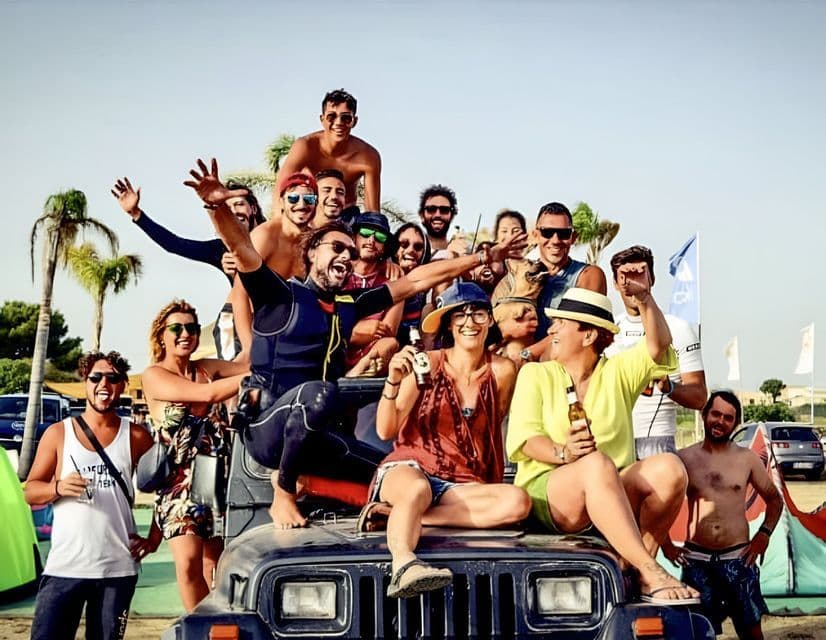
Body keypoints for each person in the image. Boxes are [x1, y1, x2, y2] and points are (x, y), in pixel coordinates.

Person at [183, 157, 527, 529]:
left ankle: (389, 510)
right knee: (319, 395)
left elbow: (416, 282)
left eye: (351, 252)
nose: (346, 256)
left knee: (387, 475)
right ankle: (283, 493)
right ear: (312, 252)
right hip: (269, 429)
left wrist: (481, 257)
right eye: (336, 248)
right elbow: (242, 247)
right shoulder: (279, 297)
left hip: (316, 434)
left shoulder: (348, 306)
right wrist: (217, 206)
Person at [506, 279, 700, 605]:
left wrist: (645, 297)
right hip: (551, 492)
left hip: (611, 490)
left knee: (670, 467)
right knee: (594, 464)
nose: (550, 329)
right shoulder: (535, 374)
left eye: (560, 323)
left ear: (589, 334)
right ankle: (650, 569)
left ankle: (639, 568)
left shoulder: (618, 371)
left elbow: (658, 344)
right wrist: (563, 452)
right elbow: (526, 440)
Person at [367, 282, 531, 598]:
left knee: (518, 502)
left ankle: (397, 516)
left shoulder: (504, 370)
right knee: (417, 489)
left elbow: (492, 425)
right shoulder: (426, 362)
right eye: (460, 315)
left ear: (490, 320)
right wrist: (392, 380)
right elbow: (386, 431)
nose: (470, 322)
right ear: (449, 323)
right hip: (411, 467)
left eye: (478, 314)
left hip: (460, 482)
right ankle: (404, 563)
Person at [25, 351, 160, 640]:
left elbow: (167, 491)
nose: (104, 384)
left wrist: (153, 539)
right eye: (95, 377)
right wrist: (58, 487)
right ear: (85, 382)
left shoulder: (136, 436)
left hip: (116, 570)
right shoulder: (58, 434)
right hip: (65, 567)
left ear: (122, 385)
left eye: (112, 378)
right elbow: (32, 492)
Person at [140, 300, 248, 611]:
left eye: (190, 327)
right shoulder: (153, 375)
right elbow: (208, 395)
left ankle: (218, 622)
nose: (184, 333)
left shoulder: (207, 368)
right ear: (162, 335)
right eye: (176, 328)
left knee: (215, 565)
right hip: (178, 487)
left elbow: (250, 362)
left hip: (214, 480)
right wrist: (247, 380)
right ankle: (199, 625)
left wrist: (240, 285)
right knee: (188, 565)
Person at [663, 391, 783, 639]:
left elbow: (774, 499)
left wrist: (765, 534)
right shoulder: (683, 459)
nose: (720, 421)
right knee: (698, 632)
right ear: (704, 414)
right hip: (696, 561)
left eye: (728, 418)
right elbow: (657, 505)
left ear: (735, 424)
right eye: (715, 414)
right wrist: (666, 544)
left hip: (739, 559)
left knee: (751, 631)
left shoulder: (747, 459)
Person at [112, 177, 265, 360]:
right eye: (227, 208)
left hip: (277, 317)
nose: (234, 212)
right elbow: (175, 244)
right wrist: (137, 215)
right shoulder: (221, 250)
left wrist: (252, 267)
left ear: (253, 208)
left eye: (239, 204)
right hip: (240, 325)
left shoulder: (275, 237)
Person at [606, 246, 707, 458]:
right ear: (615, 283)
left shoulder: (678, 328)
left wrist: (669, 387)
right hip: (612, 440)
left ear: (652, 278)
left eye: (640, 275)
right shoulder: (608, 329)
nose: (632, 284)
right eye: (625, 277)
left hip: (656, 440)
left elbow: (699, 397)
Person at [229, 172, 318, 359]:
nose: (301, 205)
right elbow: (240, 294)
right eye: (293, 198)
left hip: (281, 328)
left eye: (309, 198)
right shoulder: (266, 235)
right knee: (240, 379)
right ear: (282, 202)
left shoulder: (315, 243)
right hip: (243, 321)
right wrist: (248, 347)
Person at [522, 202, 607, 362]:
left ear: (573, 237)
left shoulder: (589, 275)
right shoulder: (521, 275)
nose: (555, 240)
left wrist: (527, 355)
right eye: (547, 233)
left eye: (563, 234)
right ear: (536, 235)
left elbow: (576, 326)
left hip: (566, 369)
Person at [279, 89, 381, 211]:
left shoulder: (368, 156)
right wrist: (280, 226)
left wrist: (372, 227)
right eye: (331, 116)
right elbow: (281, 190)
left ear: (354, 121)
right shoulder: (305, 147)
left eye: (346, 118)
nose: (338, 122)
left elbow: (372, 211)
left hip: (346, 216)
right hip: (311, 213)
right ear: (322, 119)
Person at [343, 212, 403, 376]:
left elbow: (389, 331)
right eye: (365, 233)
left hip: (371, 357)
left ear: (385, 247)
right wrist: (356, 332)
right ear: (354, 237)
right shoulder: (339, 272)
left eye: (380, 237)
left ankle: (354, 377)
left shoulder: (393, 281)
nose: (371, 240)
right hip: (335, 350)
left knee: (389, 344)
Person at [392, 222, 431, 345]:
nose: (411, 250)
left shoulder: (428, 286)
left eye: (418, 247)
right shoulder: (380, 276)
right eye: (404, 244)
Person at [418, 184, 459, 253]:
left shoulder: (464, 254)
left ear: (452, 216)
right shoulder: (411, 253)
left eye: (444, 210)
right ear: (422, 215)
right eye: (431, 209)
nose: (438, 215)